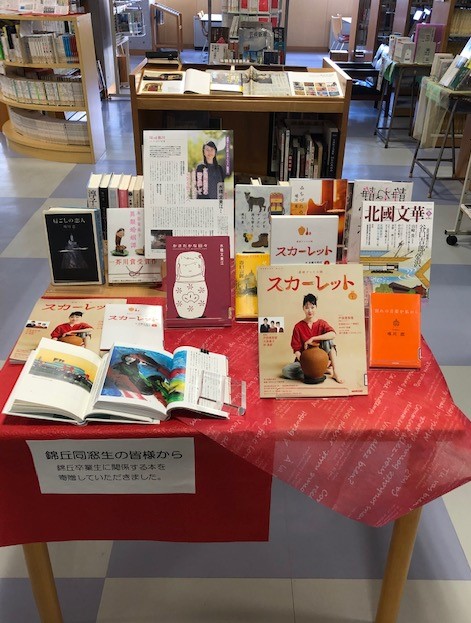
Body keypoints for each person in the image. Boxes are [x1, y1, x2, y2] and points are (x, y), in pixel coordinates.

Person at [282, 293, 343, 384]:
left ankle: (335, 372)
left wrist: (313, 338)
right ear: (303, 308)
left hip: (321, 359)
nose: (310, 310)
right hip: (305, 362)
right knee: (286, 371)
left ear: (316, 308)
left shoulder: (321, 323)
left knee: (329, 340)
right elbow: (296, 349)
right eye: (307, 308)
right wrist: (306, 364)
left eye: (312, 307)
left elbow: (333, 334)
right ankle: (319, 371)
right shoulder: (298, 326)